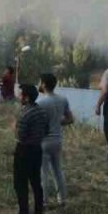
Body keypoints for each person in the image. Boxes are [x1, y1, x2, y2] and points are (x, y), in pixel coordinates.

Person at [12, 84, 49, 214]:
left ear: (26, 98)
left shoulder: (24, 114)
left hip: (23, 150)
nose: (19, 96)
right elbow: (46, 130)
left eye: (21, 94)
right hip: (37, 149)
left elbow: (20, 136)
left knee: (20, 184)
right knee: (36, 182)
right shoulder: (41, 111)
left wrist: (14, 127)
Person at [36, 73, 74, 206]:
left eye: (39, 82)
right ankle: (62, 199)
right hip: (57, 140)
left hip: (44, 141)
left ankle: (44, 201)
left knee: (43, 173)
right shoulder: (63, 99)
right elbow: (70, 119)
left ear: (44, 84)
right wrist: (57, 123)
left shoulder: (40, 103)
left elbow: (36, 123)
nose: (38, 84)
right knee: (58, 170)